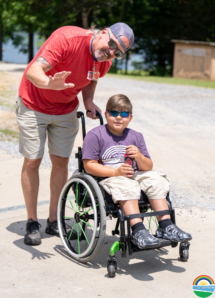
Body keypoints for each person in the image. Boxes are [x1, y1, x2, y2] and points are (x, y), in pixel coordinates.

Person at [16, 23, 134, 246]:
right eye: (111, 45)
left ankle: (54, 220)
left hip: (65, 110)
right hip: (33, 105)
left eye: (117, 52)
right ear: (102, 33)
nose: (111, 52)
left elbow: (93, 77)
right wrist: (50, 83)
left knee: (60, 162)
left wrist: (88, 101)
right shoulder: (67, 39)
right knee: (33, 161)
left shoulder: (104, 60)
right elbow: (32, 71)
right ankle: (32, 222)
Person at [82, 94, 192, 249]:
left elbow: (148, 167)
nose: (119, 117)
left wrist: (139, 157)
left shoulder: (136, 136)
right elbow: (89, 165)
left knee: (156, 179)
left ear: (130, 117)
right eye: (114, 113)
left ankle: (165, 225)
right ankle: (138, 230)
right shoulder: (95, 135)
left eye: (124, 114)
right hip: (108, 176)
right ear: (106, 114)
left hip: (132, 174)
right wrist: (116, 173)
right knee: (126, 184)